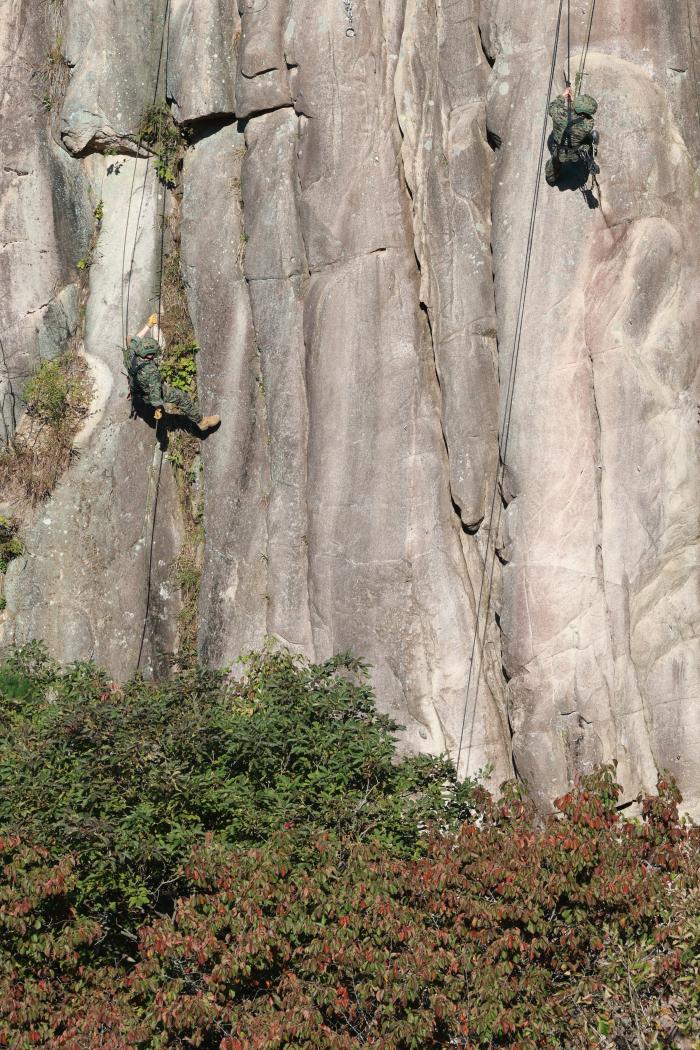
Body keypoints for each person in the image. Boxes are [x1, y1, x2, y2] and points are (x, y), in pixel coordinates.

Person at [124, 314, 220, 432]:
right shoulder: (151, 372)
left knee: (130, 339)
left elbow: (134, 340)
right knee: (181, 397)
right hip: (147, 394)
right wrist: (158, 409)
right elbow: (155, 395)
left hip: (136, 387)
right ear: (150, 356)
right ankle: (202, 422)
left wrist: (148, 325)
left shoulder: (131, 354)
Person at [545, 85, 599, 187]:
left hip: (558, 150)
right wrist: (574, 102)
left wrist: (563, 95)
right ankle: (591, 151)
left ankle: (551, 179)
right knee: (590, 138)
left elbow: (552, 106)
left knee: (554, 164)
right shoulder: (588, 124)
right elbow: (585, 117)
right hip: (575, 154)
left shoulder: (558, 113)